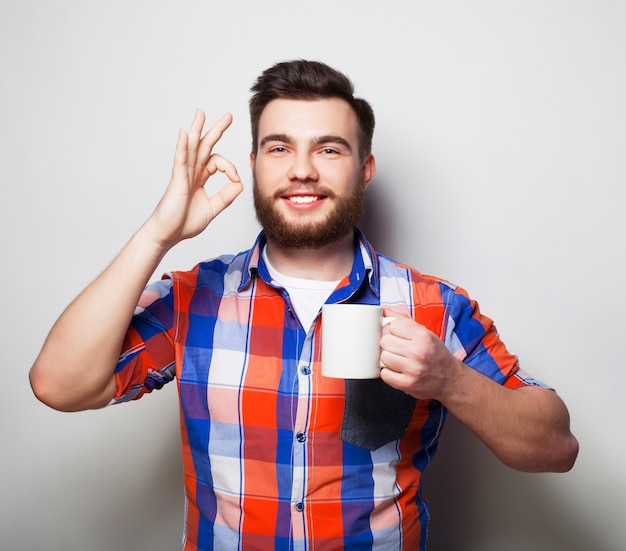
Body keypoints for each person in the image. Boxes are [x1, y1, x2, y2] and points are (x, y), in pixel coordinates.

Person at [29, 59, 578, 550]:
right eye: (280, 148)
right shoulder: (194, 297)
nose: (302, 170)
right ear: (255, 164)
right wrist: (159, 233)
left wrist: (449, 380)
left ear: (364, 169)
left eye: (329, 149)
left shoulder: (436, 306)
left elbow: (557, 446)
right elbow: (60, 384)